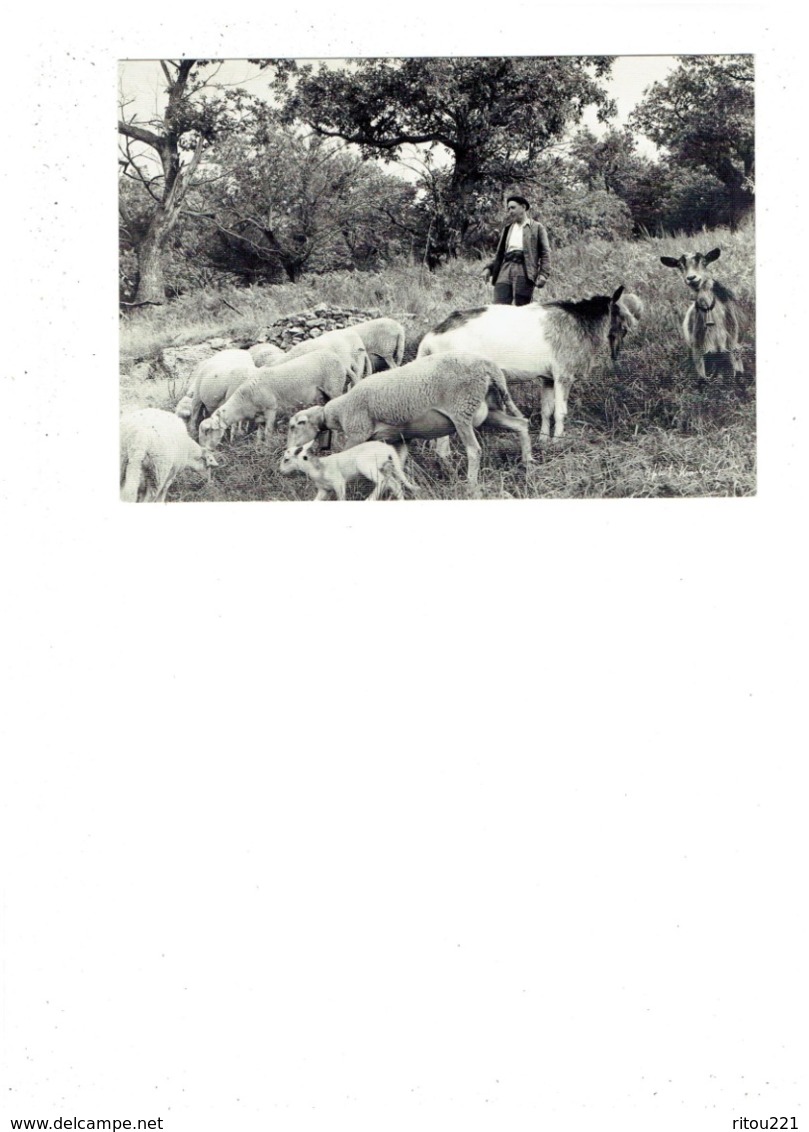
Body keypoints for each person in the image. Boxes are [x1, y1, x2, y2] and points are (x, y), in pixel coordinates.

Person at [483, 194, 551, 306]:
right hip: (505, 268)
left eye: (513, 207)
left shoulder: (537, 227)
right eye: (508, 209)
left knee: (521, 307)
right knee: (499, 306)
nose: (510, 211)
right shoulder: (507, 229)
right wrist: (489, 269)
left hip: (524, 269)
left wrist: (543, 274)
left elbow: (545, 253)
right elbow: (500, 254)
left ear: (523, 207)